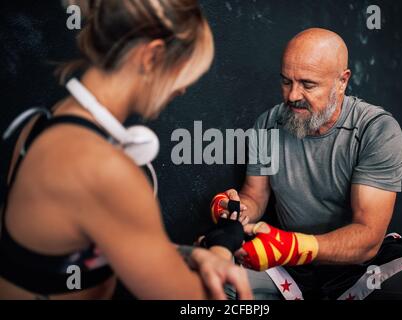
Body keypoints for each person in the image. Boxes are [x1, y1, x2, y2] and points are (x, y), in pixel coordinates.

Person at [0, 0, 252, 300]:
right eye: (186, 73)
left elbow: (72, 249)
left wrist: (190, 254)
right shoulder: (104, 171)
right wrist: (223, 244)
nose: (183, 88)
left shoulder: (41, 124)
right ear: (153, 56)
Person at [214, 28, 402, 300]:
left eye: (308, 84)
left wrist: (294, 246)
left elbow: (368, 237)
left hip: (361, 264)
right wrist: (238, 209)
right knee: (210, 285)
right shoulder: (268, 124)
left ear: (342, 81)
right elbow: (255, 195)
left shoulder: (376, 129)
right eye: (286, 81)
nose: (292, 95)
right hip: (292, 264)